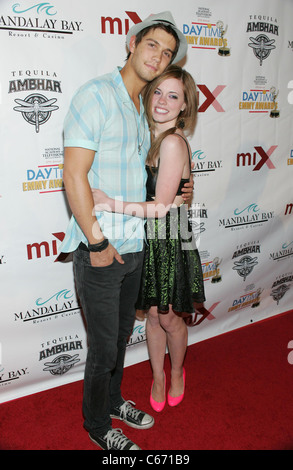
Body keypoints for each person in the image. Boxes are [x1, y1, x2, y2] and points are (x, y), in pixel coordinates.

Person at [60, 12, 192, 451]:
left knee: (119, 340)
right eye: (152, 45)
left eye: (168, 52)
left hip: (137, 246)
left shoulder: (142, 109)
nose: (159, 56)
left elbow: (156, 173)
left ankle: (114, 400)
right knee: (101, 348)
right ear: (132, 43)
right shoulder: (96, 95)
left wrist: (182, 189)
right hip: (103, 247)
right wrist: (96, 242)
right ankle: (97, 424)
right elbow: (74, 176)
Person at [92, 65, 206, 414]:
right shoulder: (142, 135)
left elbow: (159, 208)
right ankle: (157, 377)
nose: (162, 101)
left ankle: (175, 372)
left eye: (173, 96)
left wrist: (109, 203)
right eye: (158, 92)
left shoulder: (172, 143)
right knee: (153, 318)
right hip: (144, 237)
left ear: (184, 107)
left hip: (168, 238)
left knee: (169, 316)